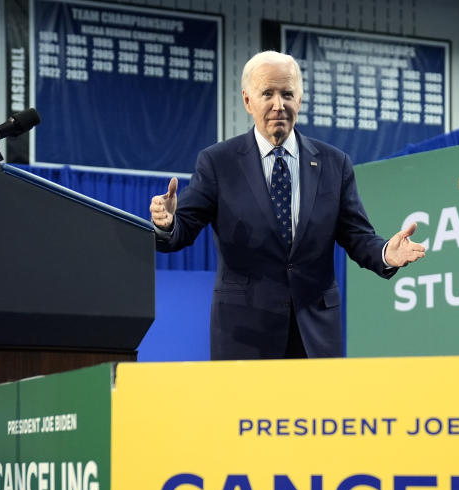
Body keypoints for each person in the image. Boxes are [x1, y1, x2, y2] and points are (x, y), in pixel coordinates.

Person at [150, 50, 425, 360]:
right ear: (247, 100)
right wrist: (167, 223)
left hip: (315, 336)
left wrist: (386, 252)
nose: (278, 104)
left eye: (287, 94)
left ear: (300, 100)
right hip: (244, 336)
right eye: (267, 93)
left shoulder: (335, 164)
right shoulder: (218, 162)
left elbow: (357, 236)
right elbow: (181, 230)